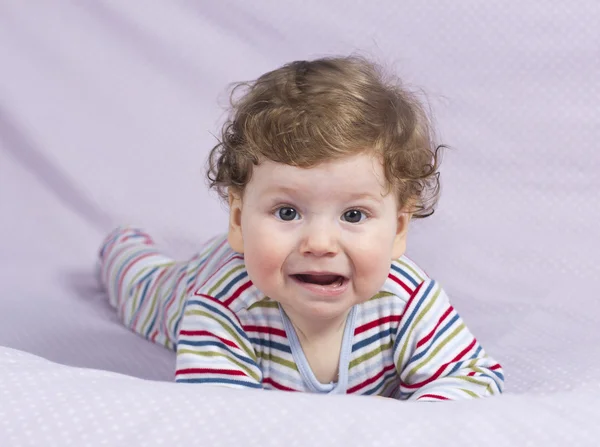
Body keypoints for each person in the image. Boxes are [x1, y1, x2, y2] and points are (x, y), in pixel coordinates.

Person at [98, 55, 504, 400]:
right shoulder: (221, 307)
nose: (320, 244)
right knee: (140, 285)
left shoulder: (406, 298)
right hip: (194, 280)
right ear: (238, 220)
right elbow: (220, 422)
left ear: (399, 229)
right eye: (288, 213)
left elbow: (472, 380)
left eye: (353, 215)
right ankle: (123, 244)